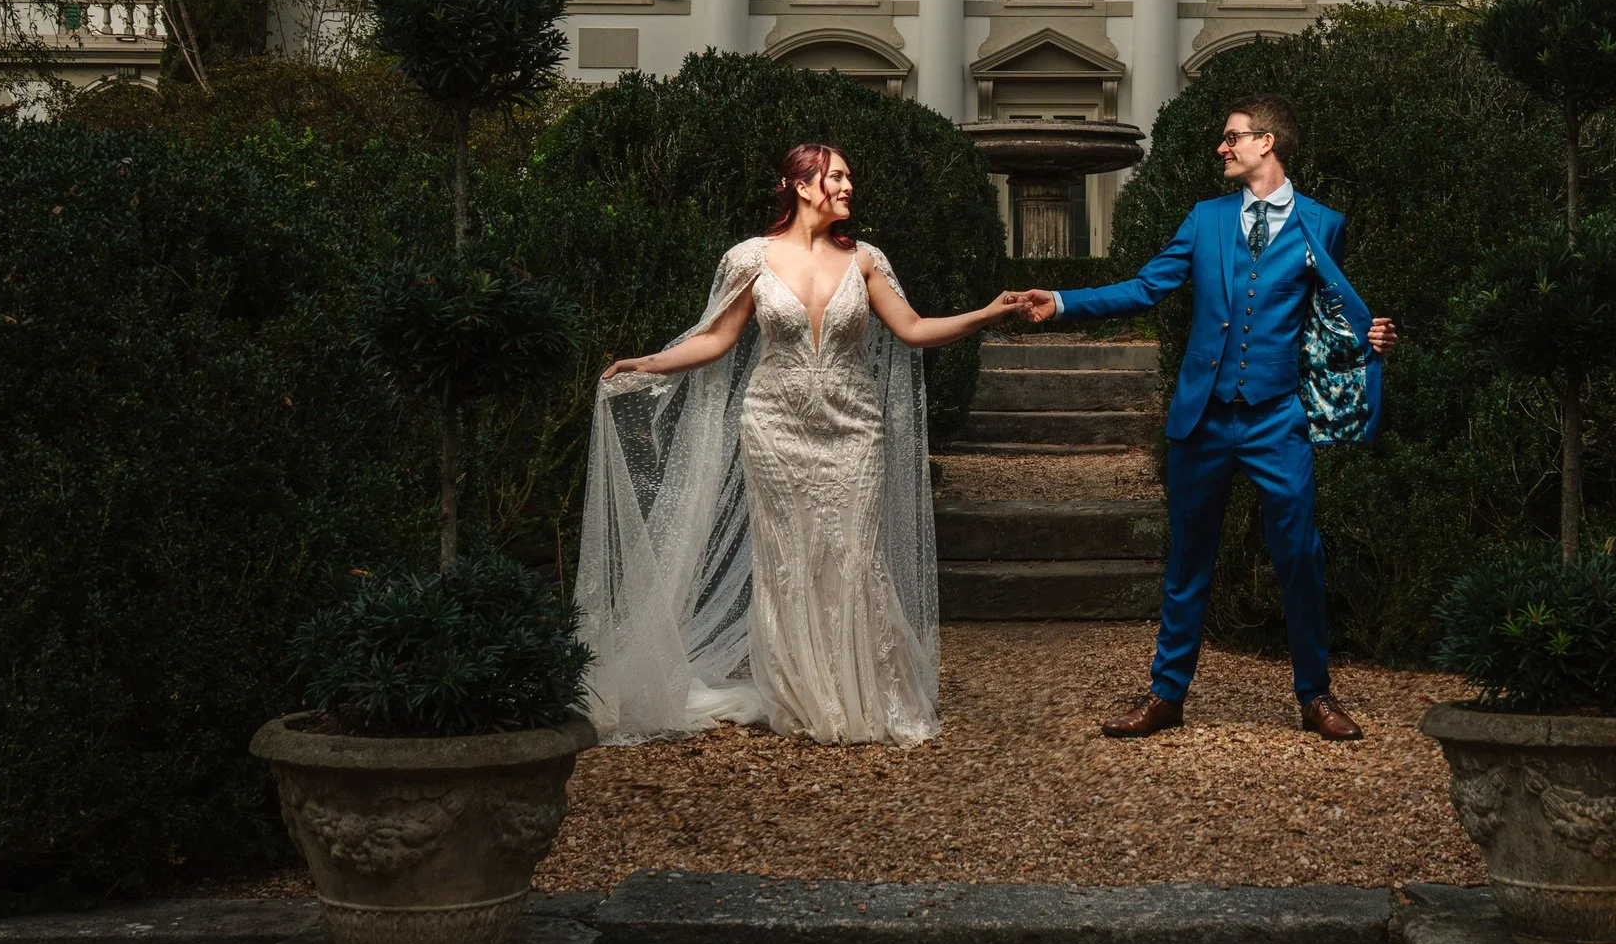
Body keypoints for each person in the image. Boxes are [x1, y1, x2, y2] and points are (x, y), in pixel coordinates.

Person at [578, 143, 1021, 746]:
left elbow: (914, 330)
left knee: (855, 554)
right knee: (790, 564)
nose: (847, 187)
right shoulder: (750, 259)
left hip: (854, 427)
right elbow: (716, 341)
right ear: (802, 184)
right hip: (774, 428)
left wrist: (986, 314)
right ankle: (806, 695)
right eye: (837, 176)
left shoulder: (866, 260)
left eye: (847, 178)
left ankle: (864, 694)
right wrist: (650, 363)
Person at [1016, 95, 1396, 741]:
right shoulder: (1205, 219)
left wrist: (1372, 339)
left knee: (1300, 557)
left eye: (1232, 138)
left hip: (1278, 421)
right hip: (1203, 420)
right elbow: (1145, 287)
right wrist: (1061, 300)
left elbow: (1334, 316)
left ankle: (1315, 696)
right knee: (1189, 559)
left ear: (1266, 143)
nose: (1222, 148)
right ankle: (1166, 696)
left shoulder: (1321, 224)